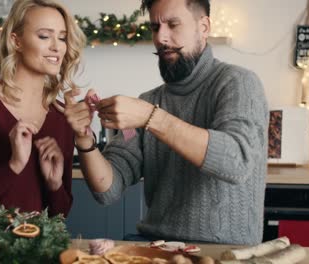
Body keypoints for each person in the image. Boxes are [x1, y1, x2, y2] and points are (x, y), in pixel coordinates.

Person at [64, 0, 269, 244]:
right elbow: (107, 190)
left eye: (173, 24)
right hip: (155, 247)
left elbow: (237, 161)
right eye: (154, 27)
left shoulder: (239, 82)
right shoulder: (148, 102)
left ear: (203, 27)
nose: (161, 38)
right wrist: (84, 139)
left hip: (225, 254)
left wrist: (151, 117)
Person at [0, 0, 86, 217]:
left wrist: (54, 184)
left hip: (41, 250)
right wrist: (14, 166)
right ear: (16, 40)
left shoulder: (61, 117)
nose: (57, 47)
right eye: (44, 36)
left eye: (62, 37)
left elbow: (60, 214)